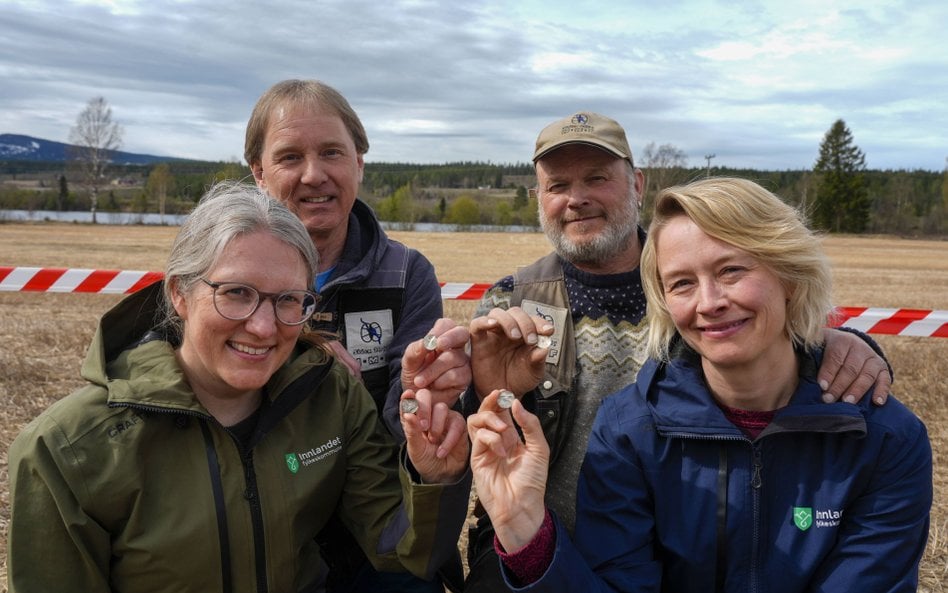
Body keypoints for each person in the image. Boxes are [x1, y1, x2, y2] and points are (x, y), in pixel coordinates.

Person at [461, 112, 894, 590]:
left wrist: (840, 341)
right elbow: (472, 445)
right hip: (536, 539)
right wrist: (482, 393)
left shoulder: (691, 289)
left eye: (597, 179)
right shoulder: (510, 304)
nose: (576, 198)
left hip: (680, 545)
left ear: (637, 184)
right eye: (557, 185)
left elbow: (779, 324)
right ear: (538, 198)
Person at [6, 181, 471, 593]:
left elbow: (399, 549)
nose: (264, 327)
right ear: (179, 293)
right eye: (236, 293)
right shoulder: (65, 452)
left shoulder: (329, 397)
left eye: (288, 300)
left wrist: (433, 478)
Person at [245, 79, 469, 591]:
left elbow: (401, 432)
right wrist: (303, 346)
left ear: (360, 164)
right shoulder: (227, 270)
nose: (314, 174)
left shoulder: (406, 274)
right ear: (258, 173)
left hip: (378, 528)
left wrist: (424, 396)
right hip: (265, 525)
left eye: (331, 152)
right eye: (289, 157)